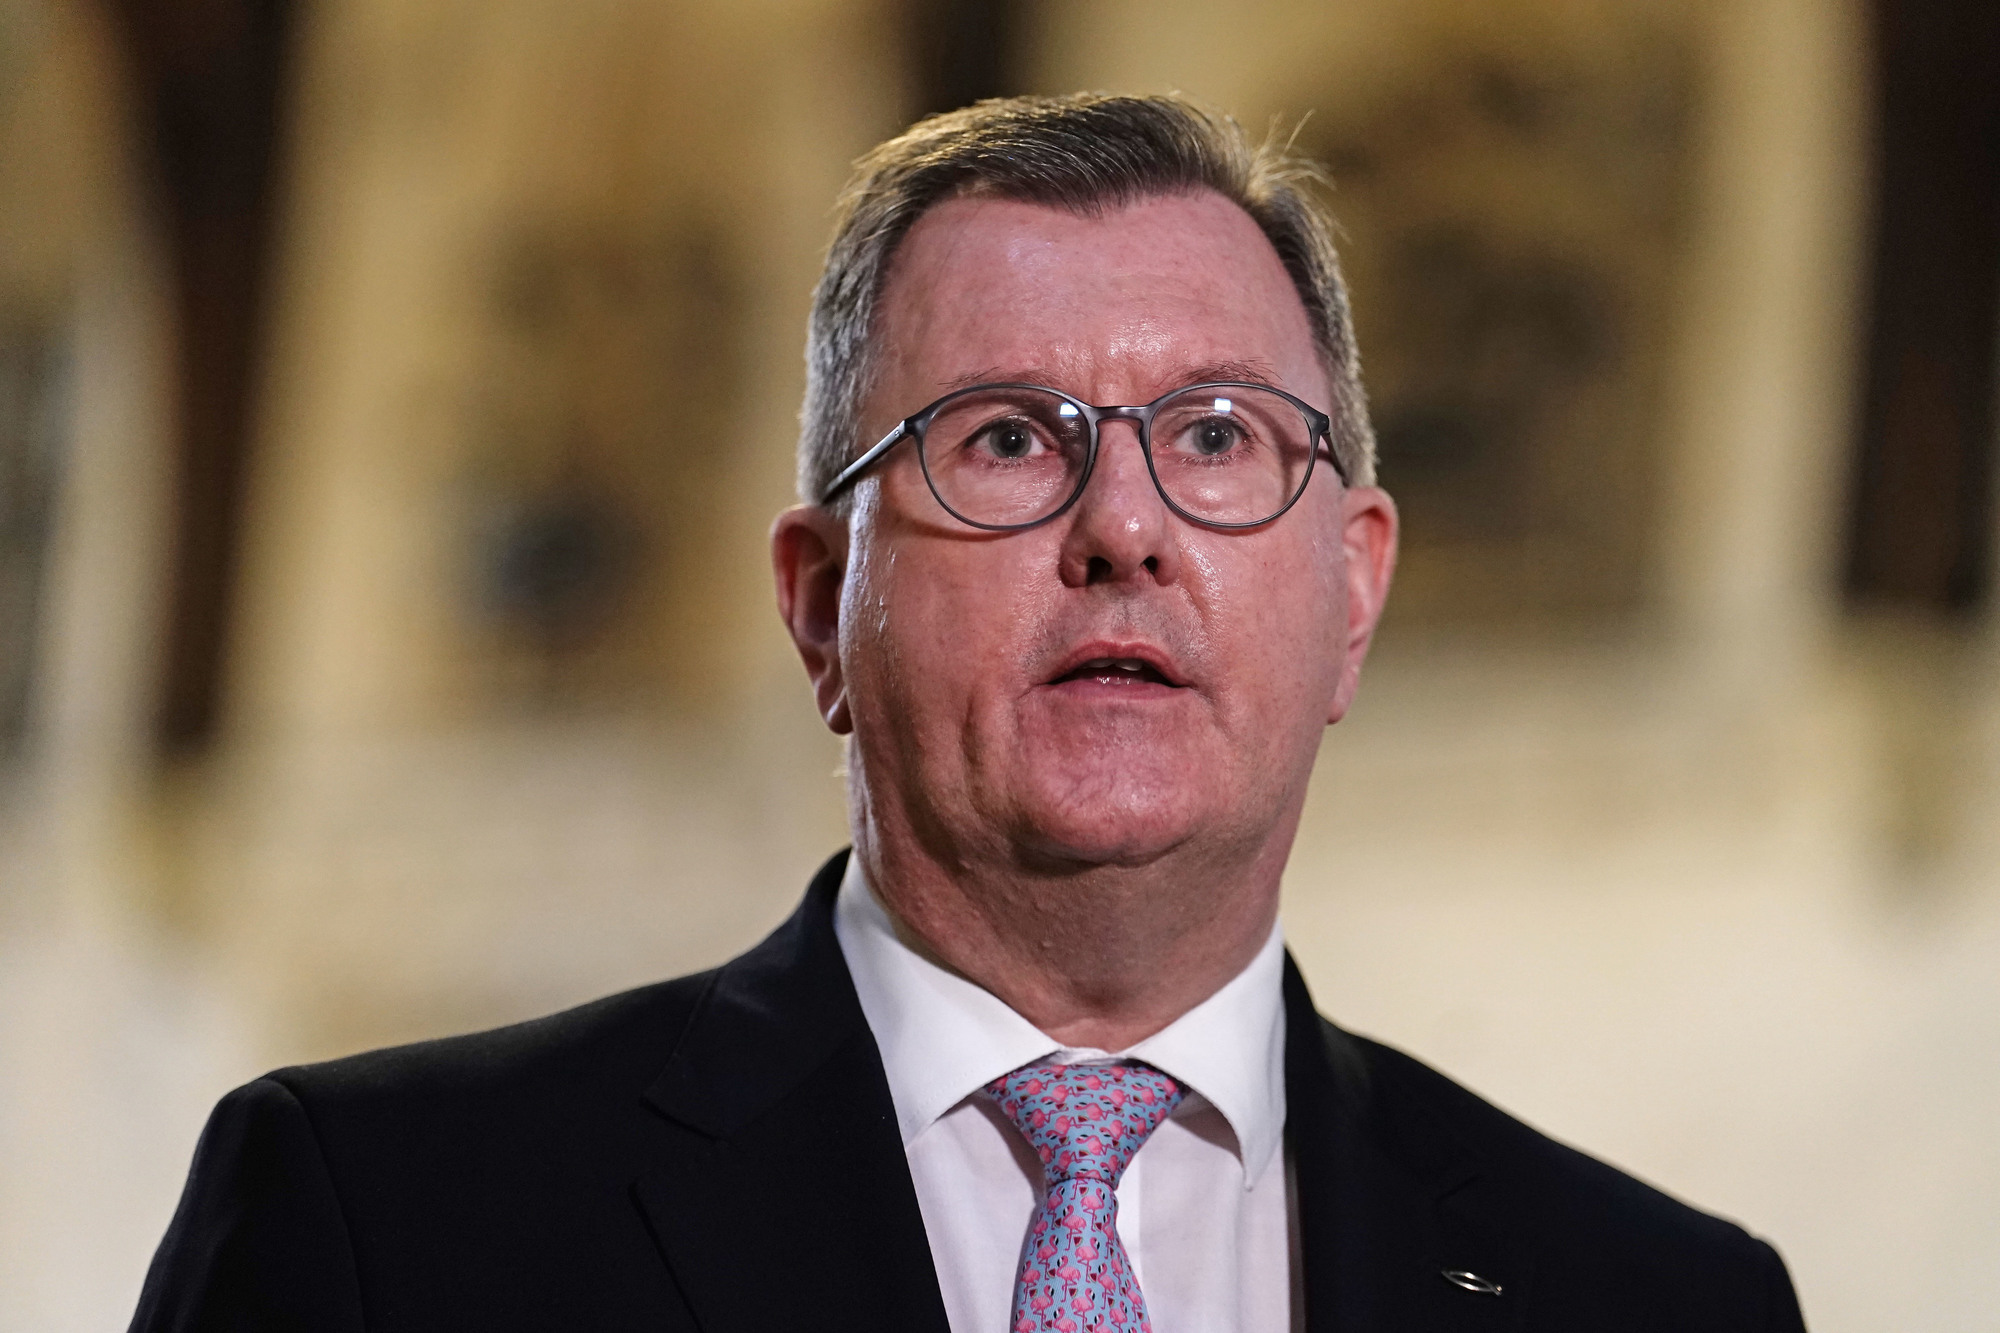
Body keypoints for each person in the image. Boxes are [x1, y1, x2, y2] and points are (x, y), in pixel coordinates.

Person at [130, 93, 1807, 1333]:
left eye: (1217, 436)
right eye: (1006, 438)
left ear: (1354, 590)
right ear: (819, 603)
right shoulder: (387, 1224)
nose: (1123, 527)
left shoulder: (1662, 1302)